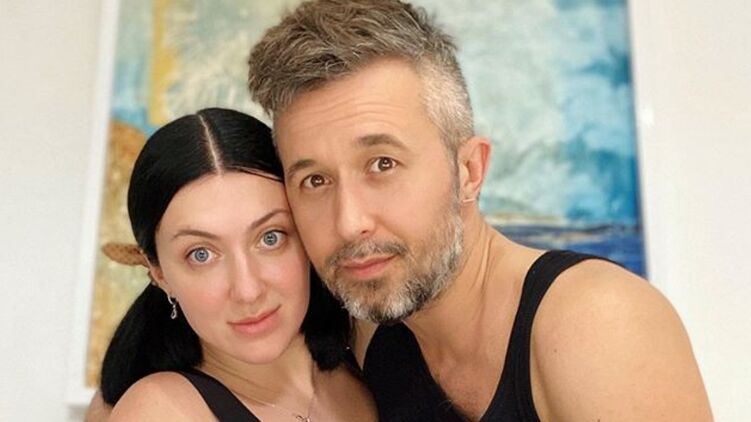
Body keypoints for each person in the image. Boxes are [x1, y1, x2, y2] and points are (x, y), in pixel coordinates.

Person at [247, 0, 713, 420]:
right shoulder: (367, 338)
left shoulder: (598, 322)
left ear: (470, 170)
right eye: (315, 181)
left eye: (382, 164)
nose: (349, 223)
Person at [87, 108, 376, 421]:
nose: (247, 290)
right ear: (159, 274)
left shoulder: (373, 358)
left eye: (270, 238)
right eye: (201, 254)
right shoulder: (159, 412)